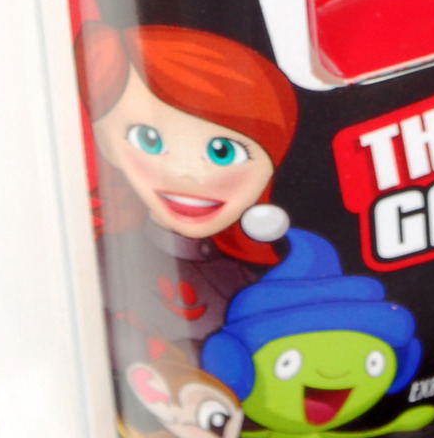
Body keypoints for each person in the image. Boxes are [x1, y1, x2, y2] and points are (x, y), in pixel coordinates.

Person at [75, 22, 297, 372]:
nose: (185, 174)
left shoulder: (246, 281)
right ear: (107, 142)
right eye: (148, 139)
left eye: (223, 151)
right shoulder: (103, 264)